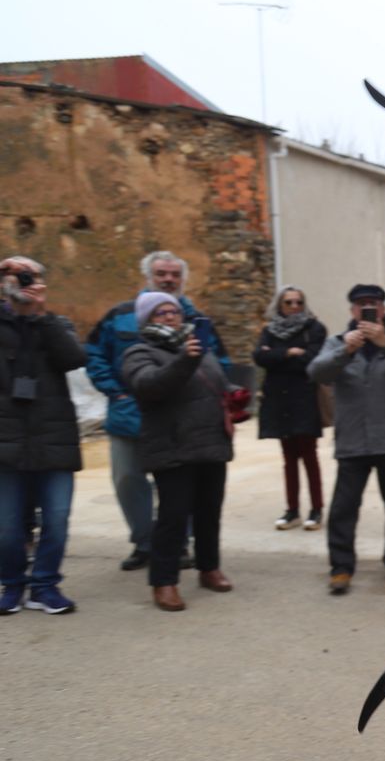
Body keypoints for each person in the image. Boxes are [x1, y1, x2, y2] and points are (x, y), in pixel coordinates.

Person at [85, 250, 228, 571]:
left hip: (181, 422)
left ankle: (179, 545)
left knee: (183, 487)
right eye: (161, 273)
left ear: (183, 279)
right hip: (129, 417)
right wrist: (117, 392)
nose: (168, 279)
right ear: (148, 277)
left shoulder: (196, 321)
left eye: (175, 275)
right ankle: (145, 543)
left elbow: (222, 362)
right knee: (127, 480)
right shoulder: (119, 315)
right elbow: (94, 354)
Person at [308, 284, 385, 595]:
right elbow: (317, 372)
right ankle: (341, 568)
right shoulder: (337, 342)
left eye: (373, 304)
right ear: (352, 311)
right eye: (361, 305)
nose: (366, 309)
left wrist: (384, 342)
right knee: (343, 509)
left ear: (384, 310)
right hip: (353, 441)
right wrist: (346, 351)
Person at [121, 292, 235, 612]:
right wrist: (186, 359)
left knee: (209, 511)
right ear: (147, 320)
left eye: (174, 311)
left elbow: (217, 383)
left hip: (211, 443)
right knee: (173, 517)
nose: (171, 317)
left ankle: (209, 568)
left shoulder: (199, 348)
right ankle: (164, 582)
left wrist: (233, 397)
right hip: (172, 446)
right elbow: (149, 386)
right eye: (161, 313)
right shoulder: (139, 352)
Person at [0, 256, 86, 616]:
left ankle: (45, 585)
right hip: (6, 441)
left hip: (53, 439)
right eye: (12, 275)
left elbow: (72, 358)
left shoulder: (55, 323)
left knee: (57, 517)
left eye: (29, 276)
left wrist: (39, 313)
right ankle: (12, 585)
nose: (20, 282)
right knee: (6, 525)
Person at [254, 286, 328, 532]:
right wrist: (288, 352)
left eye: (298, 302)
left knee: (309, 455)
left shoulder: (314, 328)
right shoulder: (270, 329)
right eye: (289, 303)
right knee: (288, 458)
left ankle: (316, 509)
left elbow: (312, 360)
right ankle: (292, 510)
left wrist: (276, 357)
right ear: (280, 305)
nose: (294, 307)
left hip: (305, 397)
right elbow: (258, 357)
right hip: (279, 399)